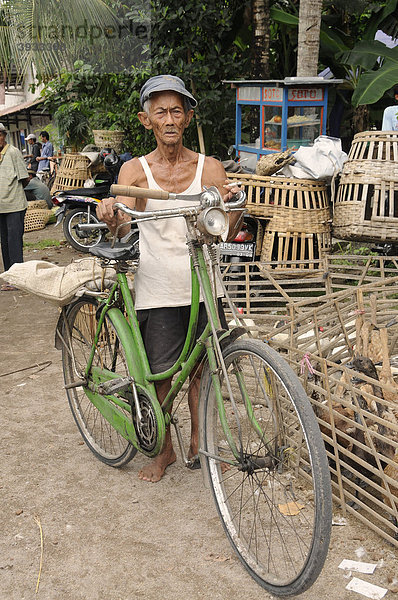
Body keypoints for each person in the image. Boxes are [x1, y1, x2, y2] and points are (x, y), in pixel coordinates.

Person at [97, 74, 244, 483]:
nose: (169, 119)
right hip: (158, 286)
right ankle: (164, 453)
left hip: (204, 282)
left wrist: (233, 206)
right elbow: (123, 223)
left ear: (188, 116)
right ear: (146, 120)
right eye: (160, 111)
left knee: (205, 370)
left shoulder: (210, 167)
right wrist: (112, 214)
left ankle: (202, 440)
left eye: (176, 110)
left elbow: (225, 230)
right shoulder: (136, 170)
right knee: (160, 375)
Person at [0, 122, 29, 288]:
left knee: (14, 242)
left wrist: (12, 193)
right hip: (1, 206)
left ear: (4, 136)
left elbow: (24, 179)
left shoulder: (13, 152)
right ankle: (10, 277)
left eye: (0, 135)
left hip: (15, 206)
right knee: (4, 242)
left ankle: (18, 279)